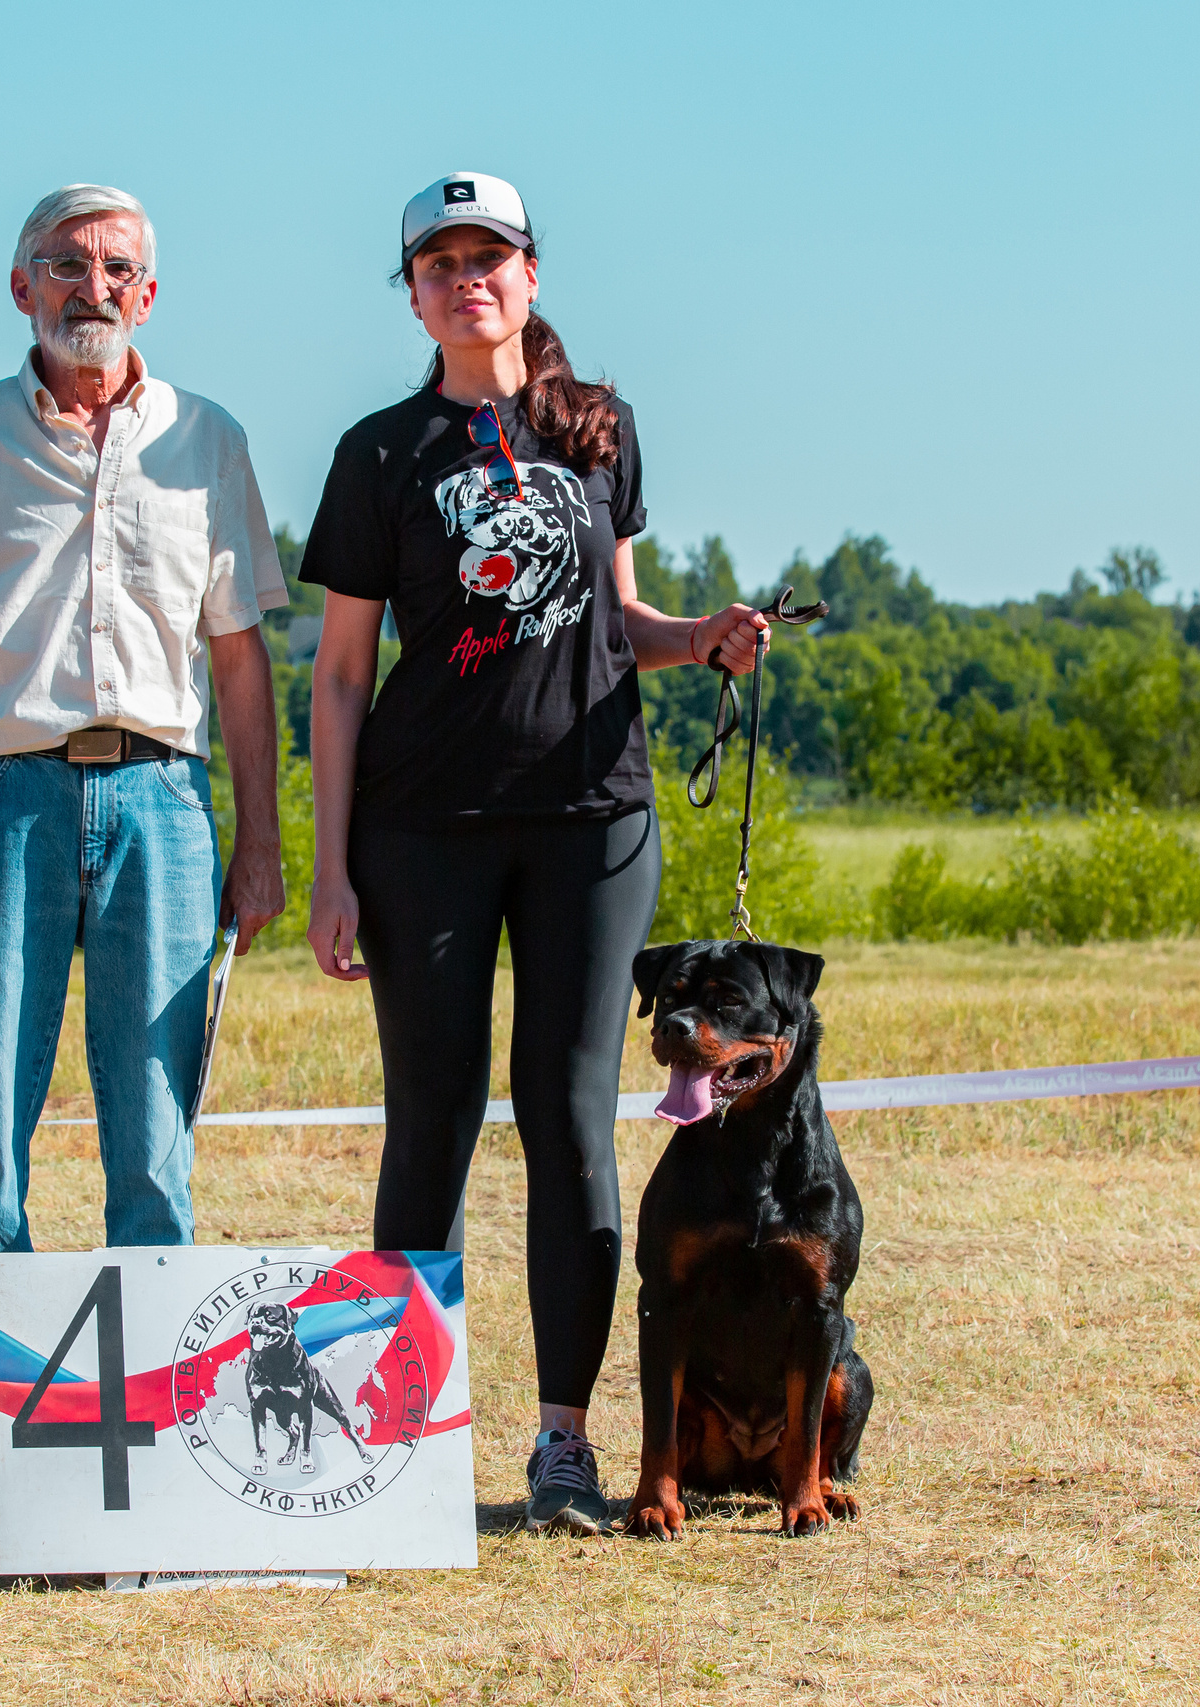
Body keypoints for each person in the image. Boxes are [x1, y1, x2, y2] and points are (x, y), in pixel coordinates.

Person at [300, 172, 769, 1537]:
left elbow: (620, 622)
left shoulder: (597, 431)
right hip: (419, 832)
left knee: (571, 1124)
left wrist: (709, 637)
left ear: (532, 273)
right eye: (440, 263)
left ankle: (562, 1442)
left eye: (489, 256)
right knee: (430, 1123)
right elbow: (337, 677)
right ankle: (396, 1436)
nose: (467, 280)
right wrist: (330, 867)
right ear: (413, 293)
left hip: (591, 821)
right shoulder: (379, 454)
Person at [0, 183, 287, 1540]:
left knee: (153, 1136)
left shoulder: (207, 443)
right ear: (20, 288)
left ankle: (149, 1423)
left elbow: (240, 661)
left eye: (117, 268)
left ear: (149, 294)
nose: (91, 286)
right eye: (65, 265)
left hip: (164, 802)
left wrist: (265, 838)